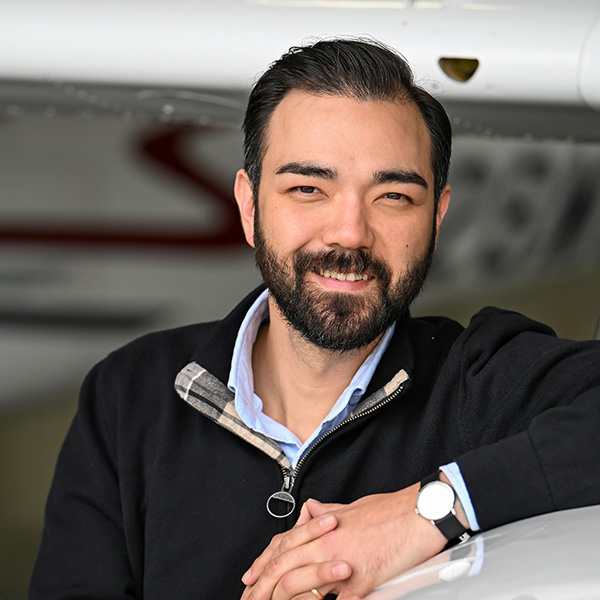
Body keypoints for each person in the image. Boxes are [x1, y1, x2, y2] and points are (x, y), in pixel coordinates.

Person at [30, 38, 600, 600]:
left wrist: (433, 508)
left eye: (394, 196)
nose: (349, 232)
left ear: (437, 216)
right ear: (249, 207)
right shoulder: (128, 396)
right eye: (308, 188)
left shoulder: (483, 381)